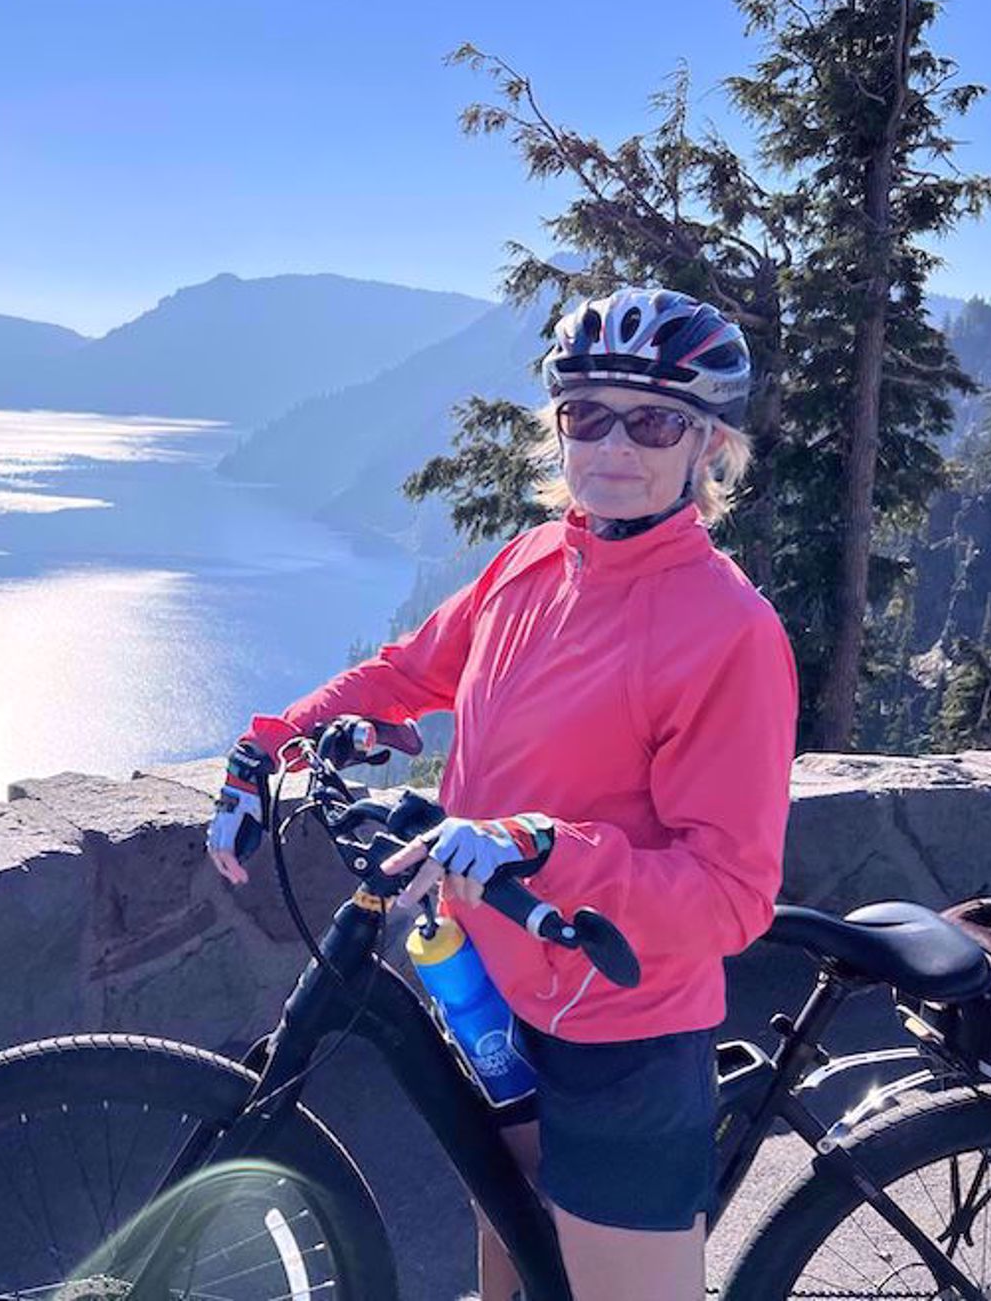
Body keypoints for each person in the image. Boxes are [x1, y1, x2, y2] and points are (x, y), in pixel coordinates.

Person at [207, 287, 799, 1301]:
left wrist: (542, 846)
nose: (614, 445)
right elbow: (409, 672)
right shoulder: (531, 563)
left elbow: (730, 895)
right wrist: (274, 740)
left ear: (707, 445)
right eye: (588, 415)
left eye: (652, 421)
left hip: (623, 1032)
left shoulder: (728, 631)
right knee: (514, 1279)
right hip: (493, 992)